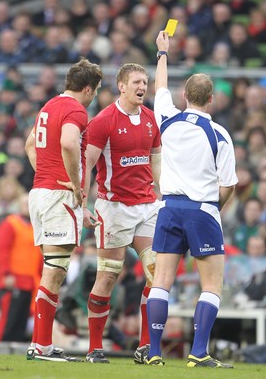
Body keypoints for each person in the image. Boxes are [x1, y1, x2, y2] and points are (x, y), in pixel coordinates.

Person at [146, 31, 238, 368]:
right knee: (212, 284)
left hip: (168, 208)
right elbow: (228, 185)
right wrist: (216, 209)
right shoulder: (220, 135)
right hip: (203, 211)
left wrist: (163, 53)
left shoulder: (166, 118)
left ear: (184, 96)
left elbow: (159, 88)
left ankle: (154, 351)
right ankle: (198, 352)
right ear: (211, 100)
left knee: (161, 282)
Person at [24, 58, 103, 362]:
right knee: (55, 270)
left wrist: (45, 173)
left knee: (52, 268)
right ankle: (41, 346)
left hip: (41, 191)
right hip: (57, 195)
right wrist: (75, 184)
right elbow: (70, 143)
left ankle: (40, 343)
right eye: (94, 91)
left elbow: (31, 144)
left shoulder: (49, 106)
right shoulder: (75, 110)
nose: (94, 96)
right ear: (86, 88)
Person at [82, 63, 161, 363]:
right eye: (137, 82)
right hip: (114, 208)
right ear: (122, 86)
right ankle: (94, 347)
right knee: (108, 277)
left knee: (157, 272)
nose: (143, 86)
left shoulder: (152, 120)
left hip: (147, 206)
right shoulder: (103, 121)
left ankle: (145, 347)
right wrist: (82, 203)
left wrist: (162, 195)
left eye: (146, 81)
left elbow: (156, 160)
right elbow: (87, 165)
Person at [0, 192, 43, 342]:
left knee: (21, 320)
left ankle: (13, 351)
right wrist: (5, 275)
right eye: (25, 203)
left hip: (29, 282)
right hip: (14, 280)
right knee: (9, 319)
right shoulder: (10, 224)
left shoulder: (34, 226)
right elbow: (1, 250)